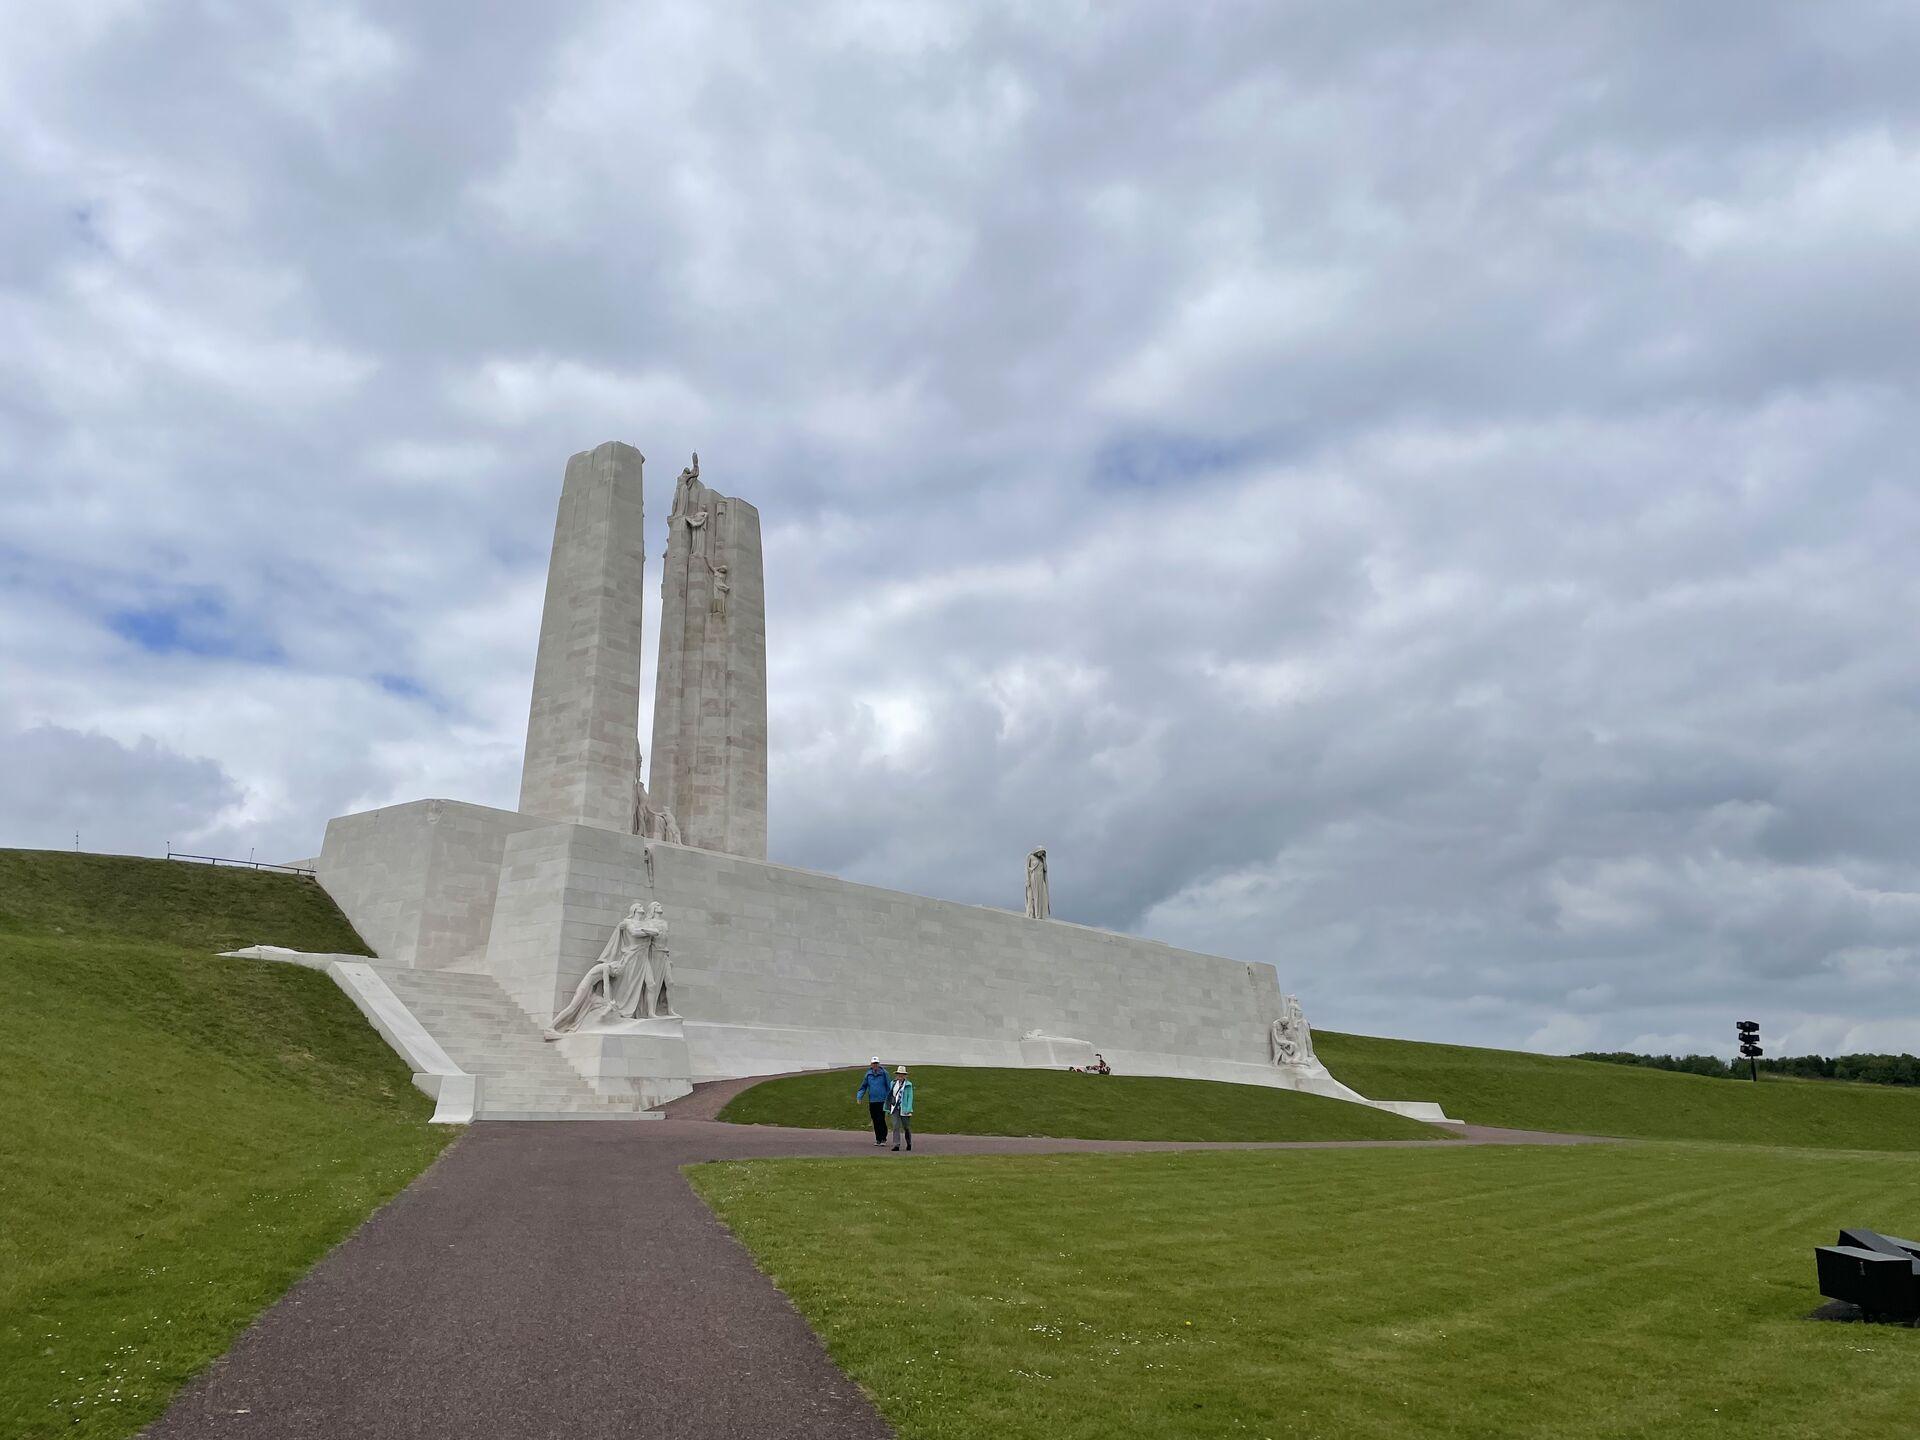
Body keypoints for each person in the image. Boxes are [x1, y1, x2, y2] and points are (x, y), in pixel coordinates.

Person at [854, 1057, 892, 1145]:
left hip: (882, 1100)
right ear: (871, 1065)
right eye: (874, 1064)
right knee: (875, 1119)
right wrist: (859, 1097)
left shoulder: (884, 1073)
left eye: (876, 1063)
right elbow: (863, 1087)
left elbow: (889, 1086)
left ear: (879, 1064)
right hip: (872, 1101)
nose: (875, 1065)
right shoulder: (868, 1075)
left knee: (881, 1119)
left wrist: (890, 1099)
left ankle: (883, 1138)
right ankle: (878, 1139)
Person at [888, 1065, 914, 1152]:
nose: (900, 1076)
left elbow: (910, 1097)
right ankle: (896, 1144)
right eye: (899, 1074)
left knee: (906, 1127)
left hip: (904, 1108)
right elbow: (891, 1094)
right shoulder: (893, 1083)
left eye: (902, 1074)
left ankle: (909, 1142)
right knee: (895, 1126)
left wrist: (908, 1108)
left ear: (905, 1075)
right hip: (895, 1107)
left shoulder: (908, 1085)